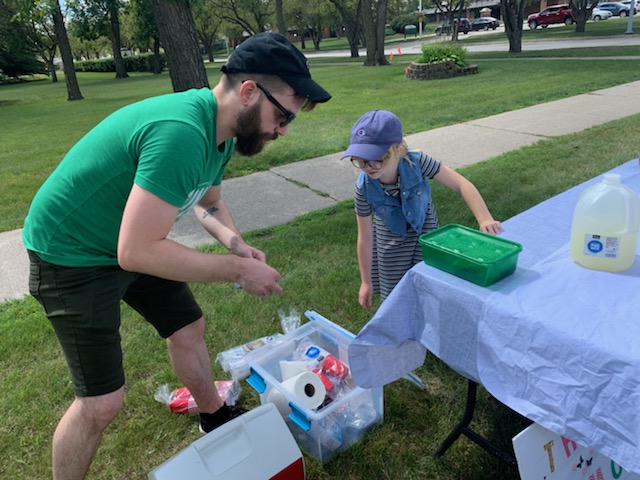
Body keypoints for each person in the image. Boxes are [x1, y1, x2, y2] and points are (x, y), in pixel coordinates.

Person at [22, 32, 331, 480]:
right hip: (70, 252)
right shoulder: (182, 133)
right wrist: (238, 270)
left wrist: (236, 244)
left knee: (188, 326)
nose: (282, 130)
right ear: (248, 92)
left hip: (128, 241)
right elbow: (135, 251)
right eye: (282, 116)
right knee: (101, 403)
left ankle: (213, 416)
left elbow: (207, 203)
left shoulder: (220, 133)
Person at [342, 110, 501, 309]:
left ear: (399, 150)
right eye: (361, 160)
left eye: (377, 158)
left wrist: (484, 218)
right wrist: (366, 281)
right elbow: (364, 238)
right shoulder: (363, 187)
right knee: (396, 300)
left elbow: (461, 184)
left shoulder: (418, 162)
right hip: (391, 249)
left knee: (432, 292)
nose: (368, 166)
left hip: (428, 240)